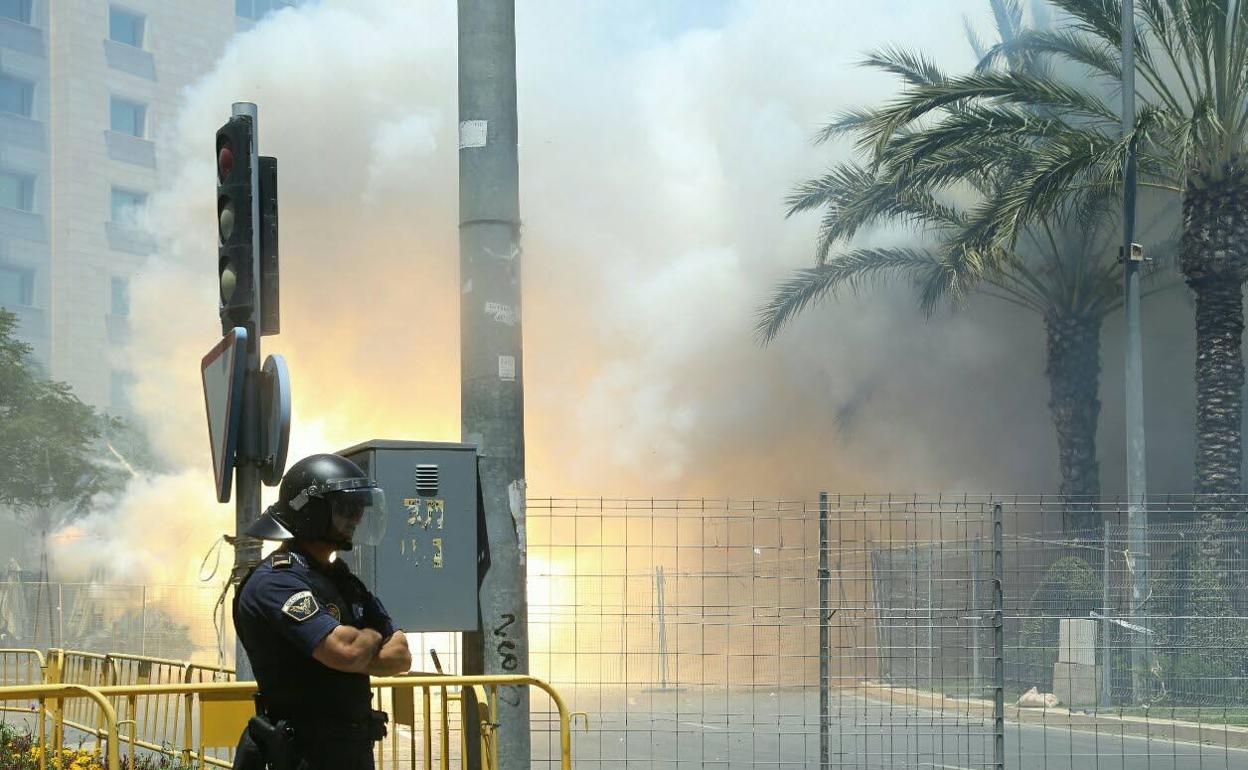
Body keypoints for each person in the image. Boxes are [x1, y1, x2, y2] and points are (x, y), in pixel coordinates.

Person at [231, 453, 411, 770]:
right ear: (310, 511)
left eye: (359, 509)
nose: (356, 519)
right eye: (346, 509)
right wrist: (370, 637)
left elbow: (401, 655)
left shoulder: (342, 581)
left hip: (351, 752)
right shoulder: (276, 582)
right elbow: (346, 652)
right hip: (302, 755)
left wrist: (359, 647)